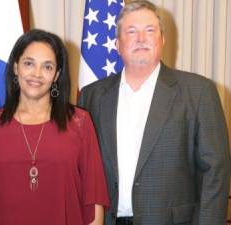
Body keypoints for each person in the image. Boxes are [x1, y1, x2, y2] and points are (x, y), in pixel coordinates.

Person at [78, 1, 231, 225]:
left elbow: (215, 173)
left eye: (150, 30)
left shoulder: (198, 92)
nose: (141, 39)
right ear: (118, 44)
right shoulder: (91, 96)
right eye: (131, 32)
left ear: (162, 40)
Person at [0, 29, 109, 225]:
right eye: (29, 63)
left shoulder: (80, 122)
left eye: (47, 67)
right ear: (16, 67)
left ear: (57, 75)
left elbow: (94, 200)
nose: (37, 74)